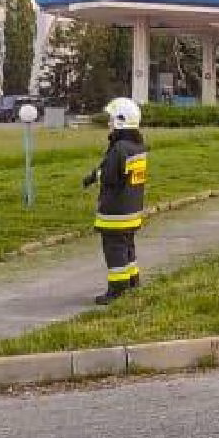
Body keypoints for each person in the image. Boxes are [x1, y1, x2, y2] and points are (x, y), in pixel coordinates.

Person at [82, 97, 148, 305]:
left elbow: (110, 176)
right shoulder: (137, 147)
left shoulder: (119, 148)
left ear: (121, 121)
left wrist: (96, 176)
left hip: (116, 213)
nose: (109, 123)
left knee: (114, 250)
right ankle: (132, 281)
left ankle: (117, 289)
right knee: (127, 246)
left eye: (112, 119)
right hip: (131, 209)